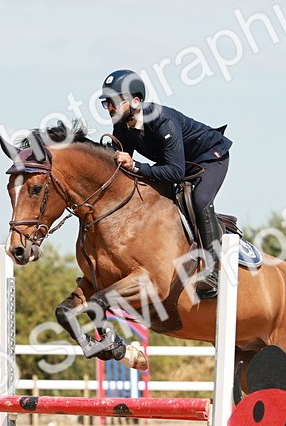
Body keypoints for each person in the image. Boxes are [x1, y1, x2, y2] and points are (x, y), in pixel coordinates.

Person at [100, 69, 233, 299]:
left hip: (209, 158)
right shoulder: (122, 127)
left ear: (136, 101)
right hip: (175, 164)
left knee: (200, 200)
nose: (110, 108)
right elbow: (118, 166)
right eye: (106, 103)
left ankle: (213, 272)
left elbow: (174, 171)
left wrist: (137, 167)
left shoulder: (162, 120)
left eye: (113, 102)